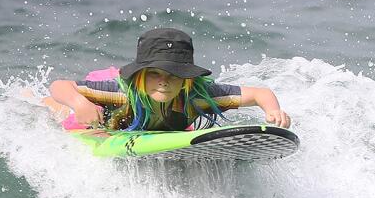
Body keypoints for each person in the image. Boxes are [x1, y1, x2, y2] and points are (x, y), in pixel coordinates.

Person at [44, 27, 291, 131]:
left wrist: (274, 111)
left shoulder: (198, 97)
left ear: (187, 79)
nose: (164, 81)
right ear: (141, 75)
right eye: (155, 74)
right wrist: (79, 104)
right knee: (61, 112)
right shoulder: (119, 93)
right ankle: (35, 101)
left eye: (174, 75)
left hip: (162, 123)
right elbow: (60, 85)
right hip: (110, 118)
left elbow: (260, 93)